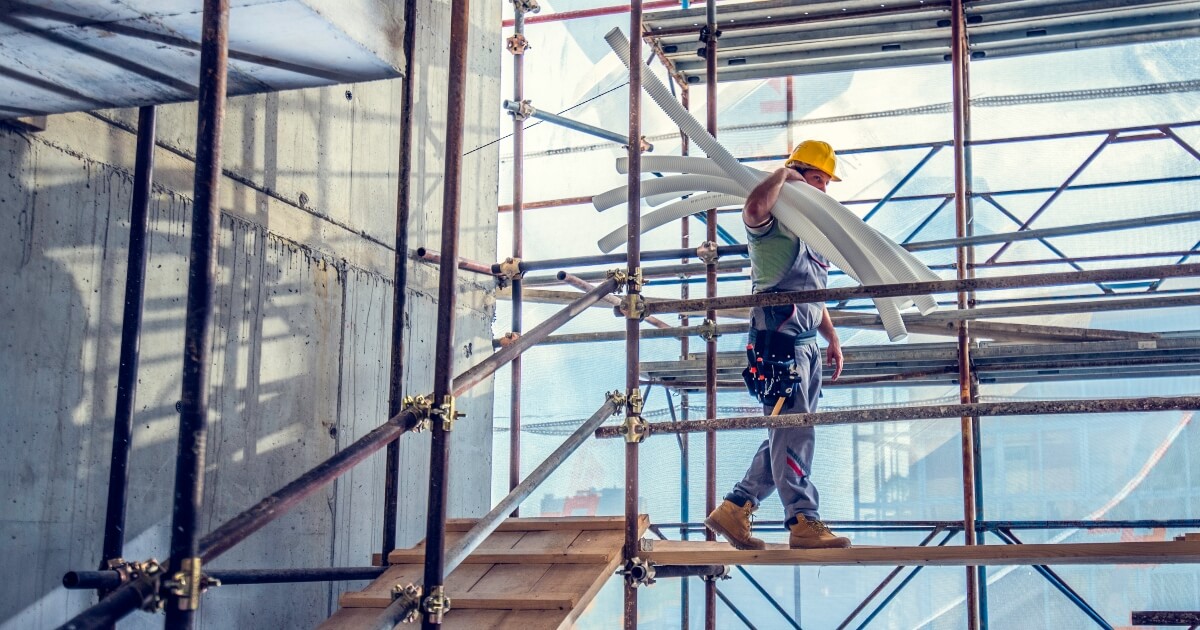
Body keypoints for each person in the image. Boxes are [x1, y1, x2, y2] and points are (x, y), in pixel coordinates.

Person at [704, 140, 851, 550]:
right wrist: (784, 176)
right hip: (779, 348)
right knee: (793, 434)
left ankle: (736, 506)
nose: (823, 190)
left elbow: (812, 296)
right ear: (800, 173)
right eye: (817, 179)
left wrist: (832, 338)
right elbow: (752, 210)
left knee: (785, 435)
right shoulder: (775, 232)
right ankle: (803, 520)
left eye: (825, 182)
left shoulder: (811, 236)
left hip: (806, 347)